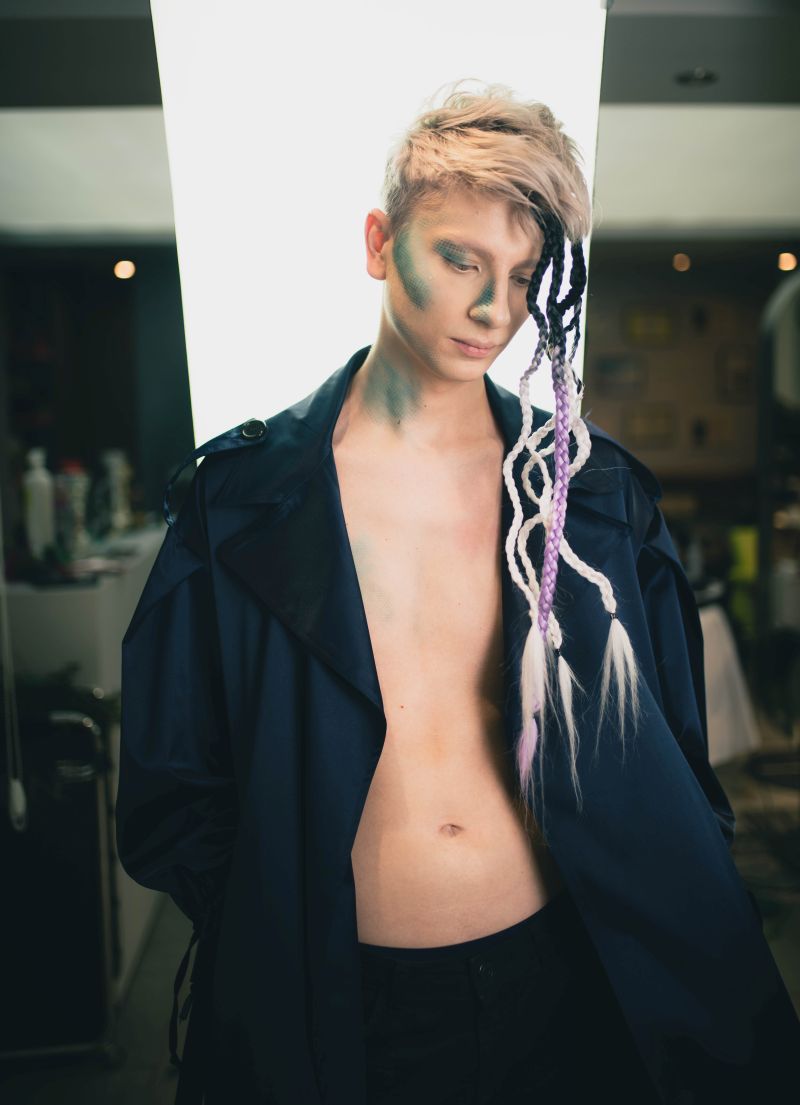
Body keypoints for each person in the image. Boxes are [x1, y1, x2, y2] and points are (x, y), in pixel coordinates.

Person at [115, 81, 800, 1105]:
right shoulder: (240, 501)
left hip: (571, 976)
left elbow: (674, 749)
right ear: (378, 243)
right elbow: (173, 790)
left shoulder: (590, 496)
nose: (493, 310)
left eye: (522, 276)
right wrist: (271, 920)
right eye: (460, 260)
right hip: (347, 1000)